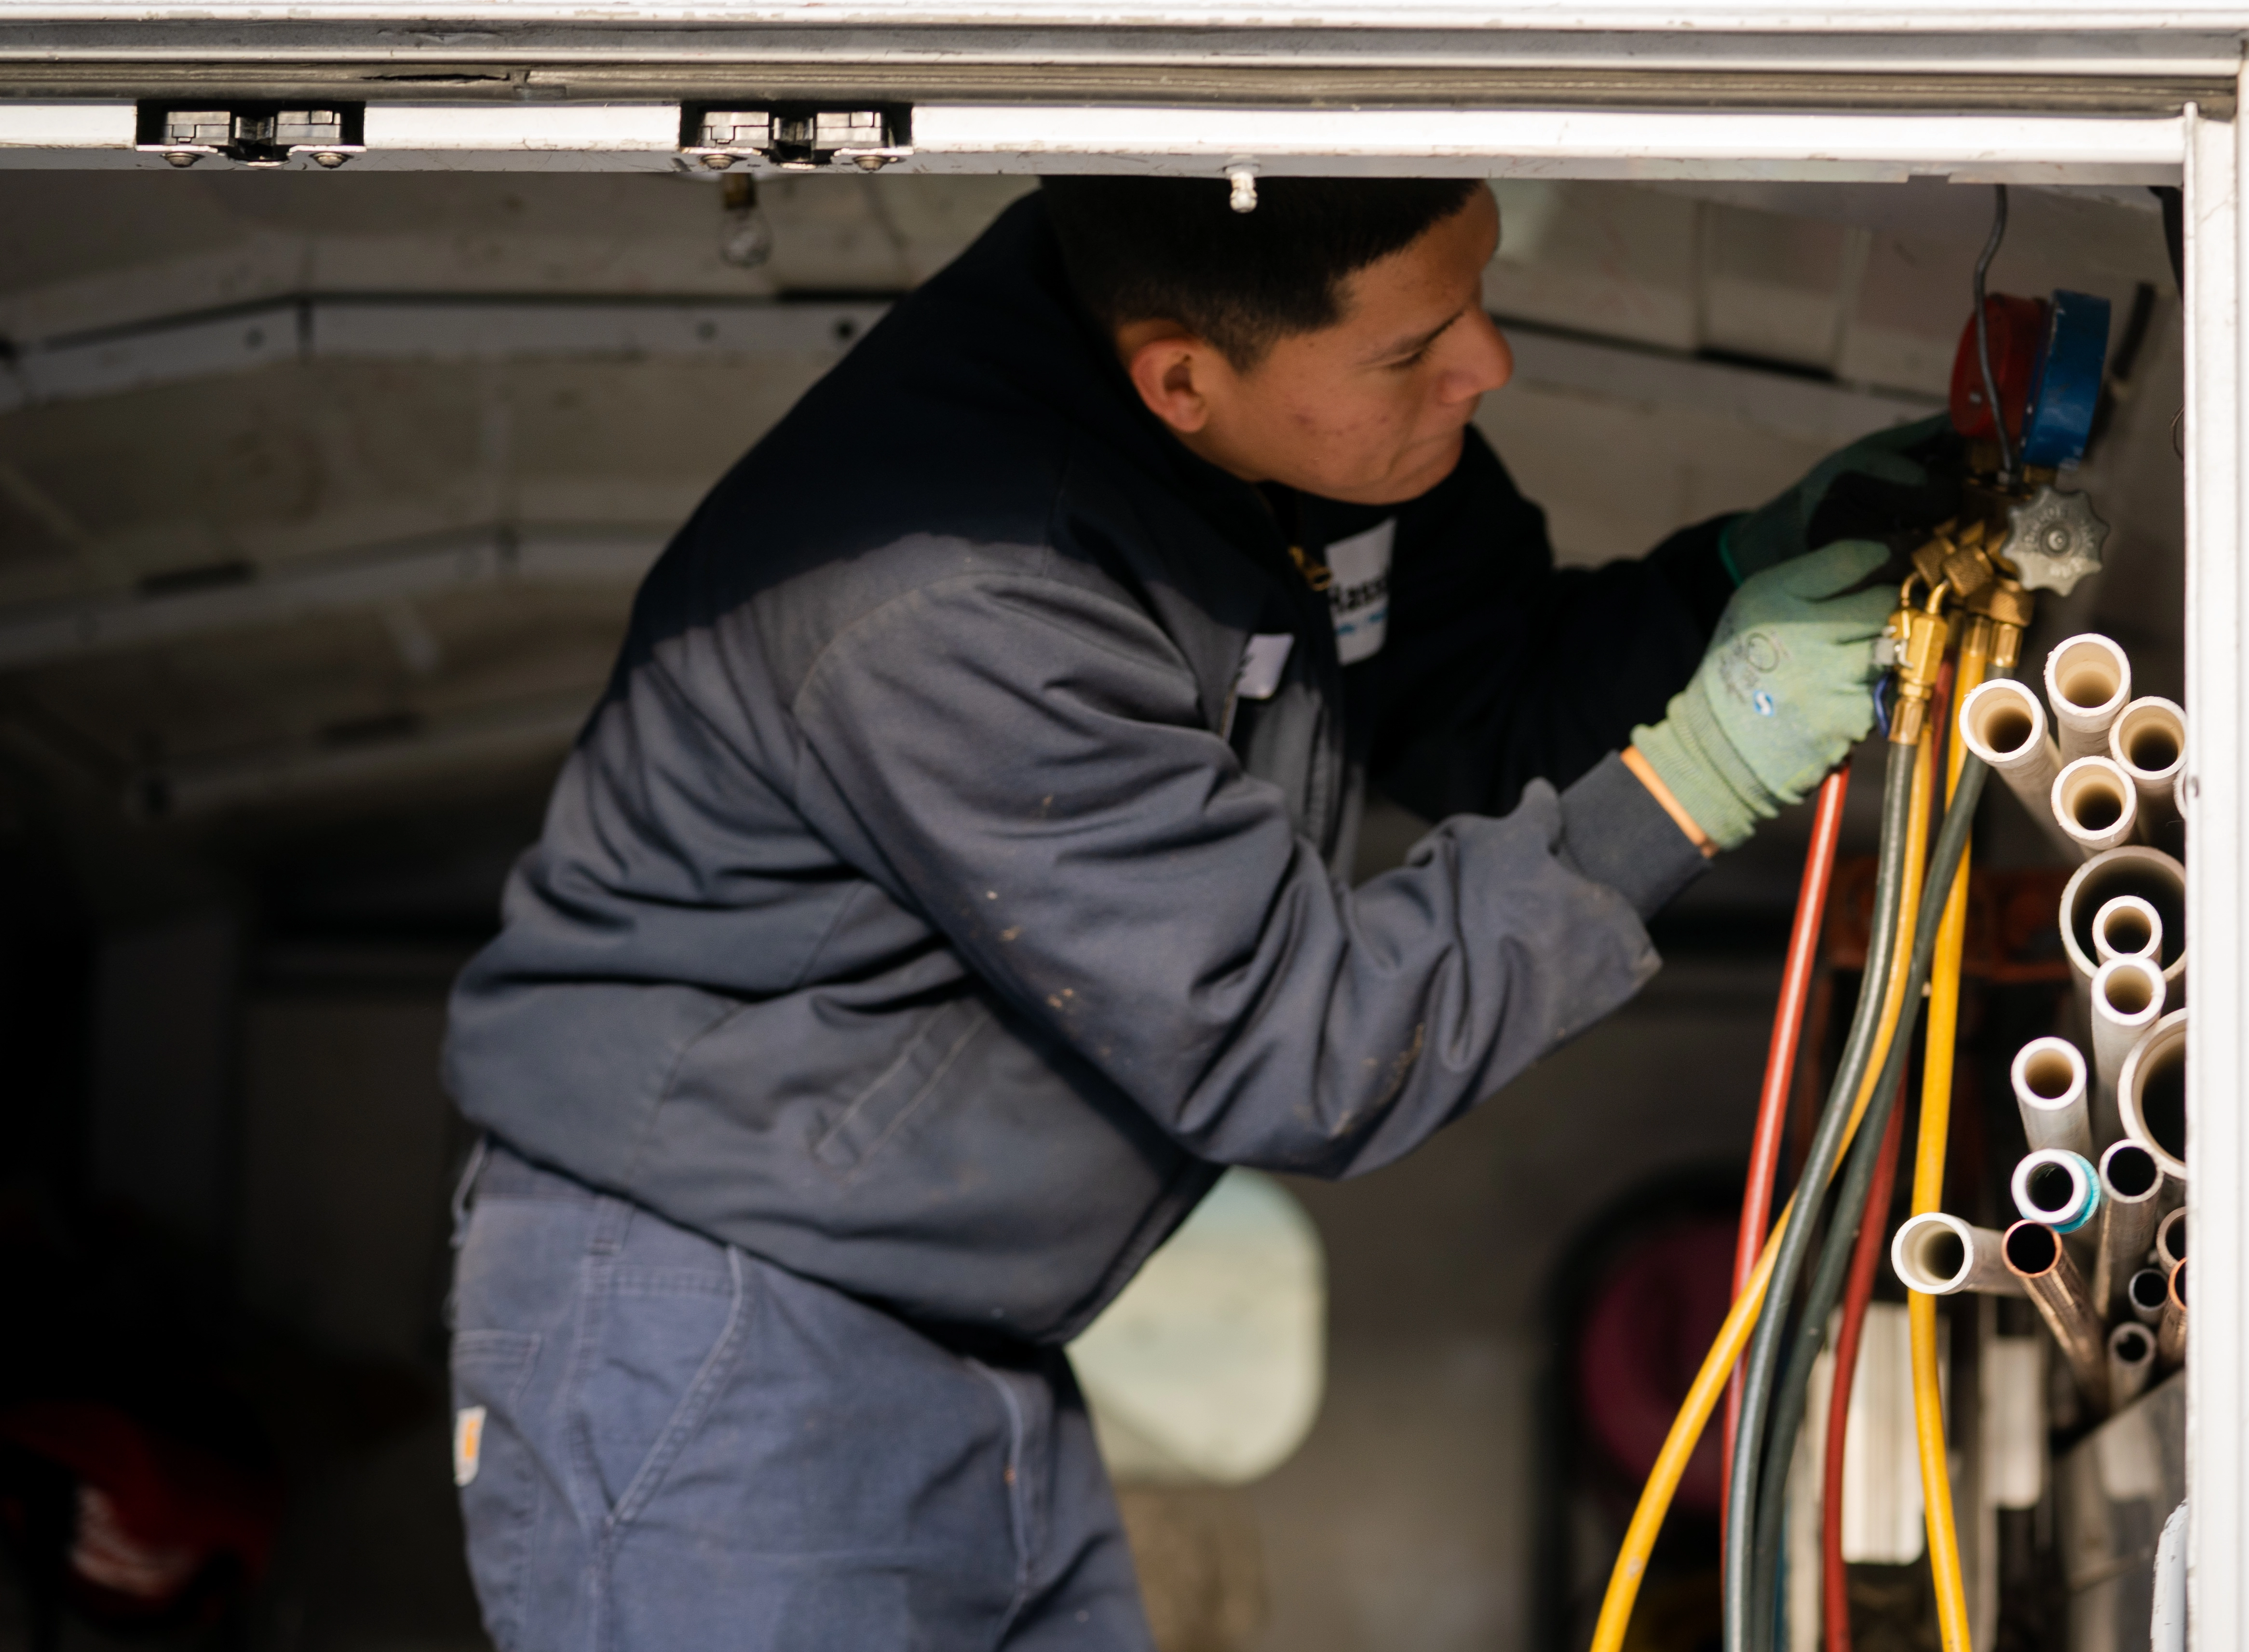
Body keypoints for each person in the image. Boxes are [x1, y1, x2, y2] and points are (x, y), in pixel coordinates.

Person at [437, 176, 1953, 1651]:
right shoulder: (955, 600)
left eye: (1474, 299)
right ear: (1180, 381)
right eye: (1412, 351)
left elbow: (1492, 694)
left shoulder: (1281, 423)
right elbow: (1298, 1043)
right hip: (721, 1326)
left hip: (955, 1317)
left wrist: (1745, 581)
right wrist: (1702, 773)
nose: (1484, 364)